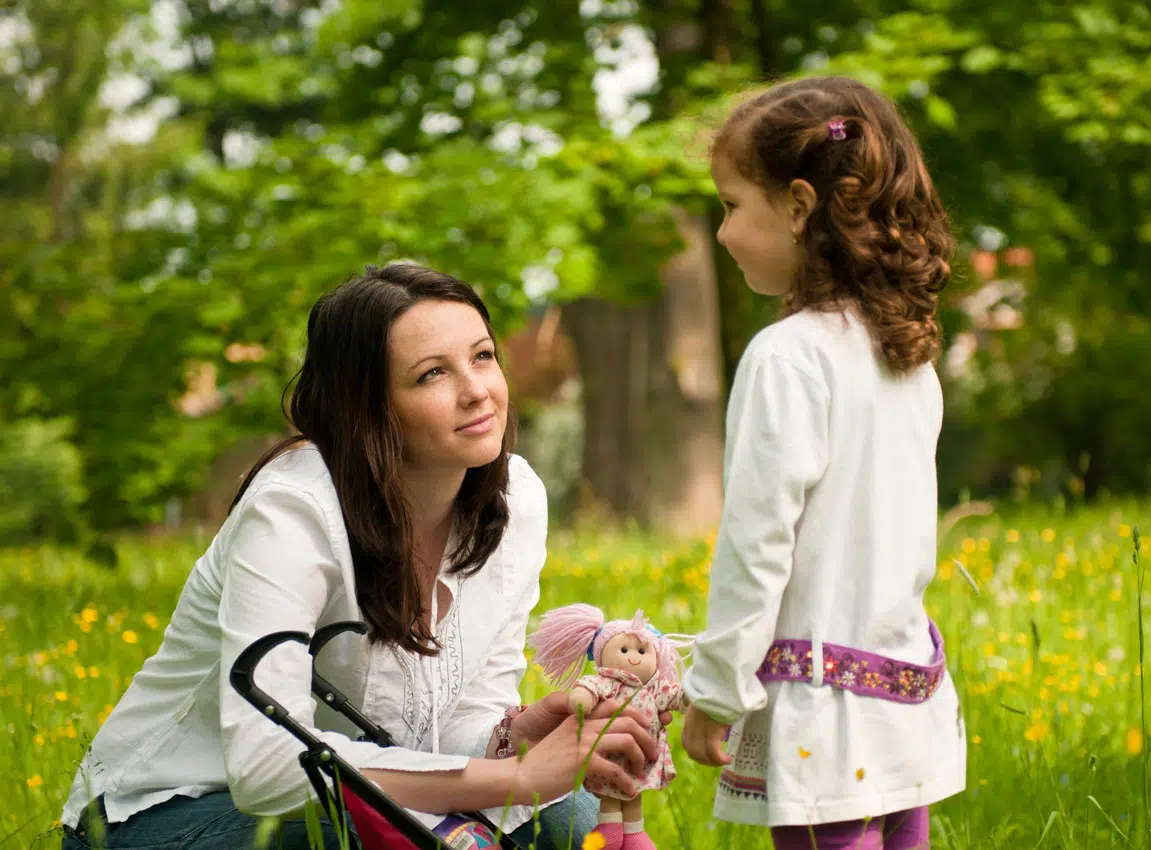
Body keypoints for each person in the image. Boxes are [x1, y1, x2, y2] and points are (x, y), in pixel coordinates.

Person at [61, 262, 657, 850]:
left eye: (482, 356)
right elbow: (266, 772)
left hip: (367, 792)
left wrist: (512, 737)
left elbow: (451, 729)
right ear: (369, 408)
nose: (478, 391)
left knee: (580, 823)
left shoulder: (514, 499)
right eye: (431, 375)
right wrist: (516, 778)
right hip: (167, 813)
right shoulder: (292, 512)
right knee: (374, 833)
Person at [680, 76, 967, 850]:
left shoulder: (787, 357)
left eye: (733, 204)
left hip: (822, 706)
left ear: (801, 207)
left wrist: (715, 689)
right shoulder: (906, 354)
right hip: (902, 686)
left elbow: (757, 543)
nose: (721, 232)